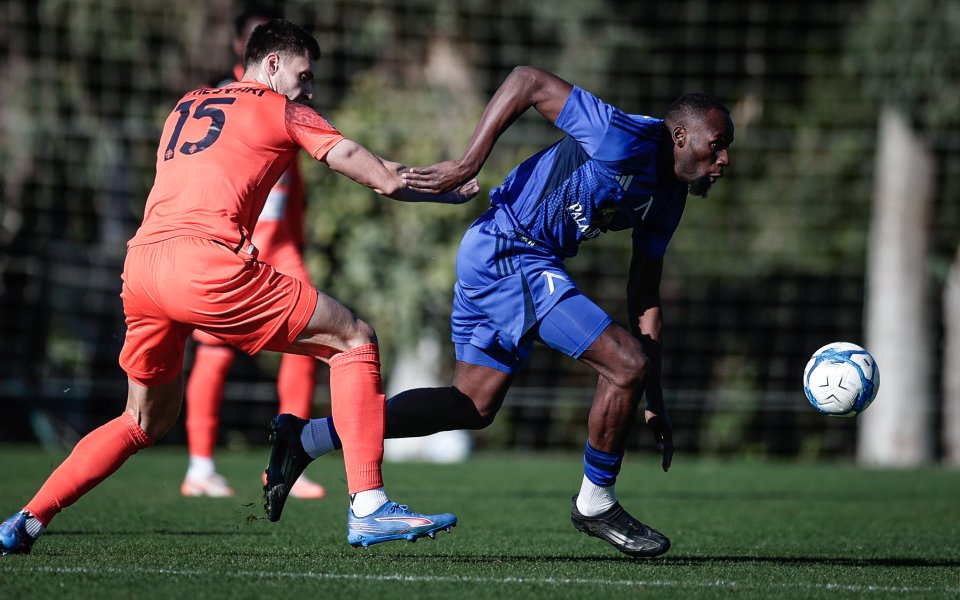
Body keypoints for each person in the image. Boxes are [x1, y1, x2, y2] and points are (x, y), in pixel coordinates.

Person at [0, 19, 478, 556]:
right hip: (205, 265)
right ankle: (369, 507)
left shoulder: (187, 102)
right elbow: (382, 177)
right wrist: (445, 187)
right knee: (354, 339)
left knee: (142, 420)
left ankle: (27, 518)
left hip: (142, 267)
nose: (309, 89)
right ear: (272, 64)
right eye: (304, 75)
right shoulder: (283, 109)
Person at [263, 66, 734, 558]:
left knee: (470, 406)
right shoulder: (625, 135)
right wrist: (468, 163)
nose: (723, 159)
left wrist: (653, 396)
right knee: (625, 362)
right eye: (717, 145)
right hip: (510, 248)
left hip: (505, 256)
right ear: (680, 136)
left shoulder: (669, 198)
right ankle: (596, 502)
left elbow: (645, 292)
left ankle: (307, 438)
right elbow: (528, 80)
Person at [180, 5, 324, 500]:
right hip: (227, 241)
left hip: (280, 244)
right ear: (254, 51)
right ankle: (200, 465)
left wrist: (297, 235)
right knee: (213, 351)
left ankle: (288, 463)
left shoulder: (288, 104)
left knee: (311, 338)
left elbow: (293, 177)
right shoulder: (216, 98)